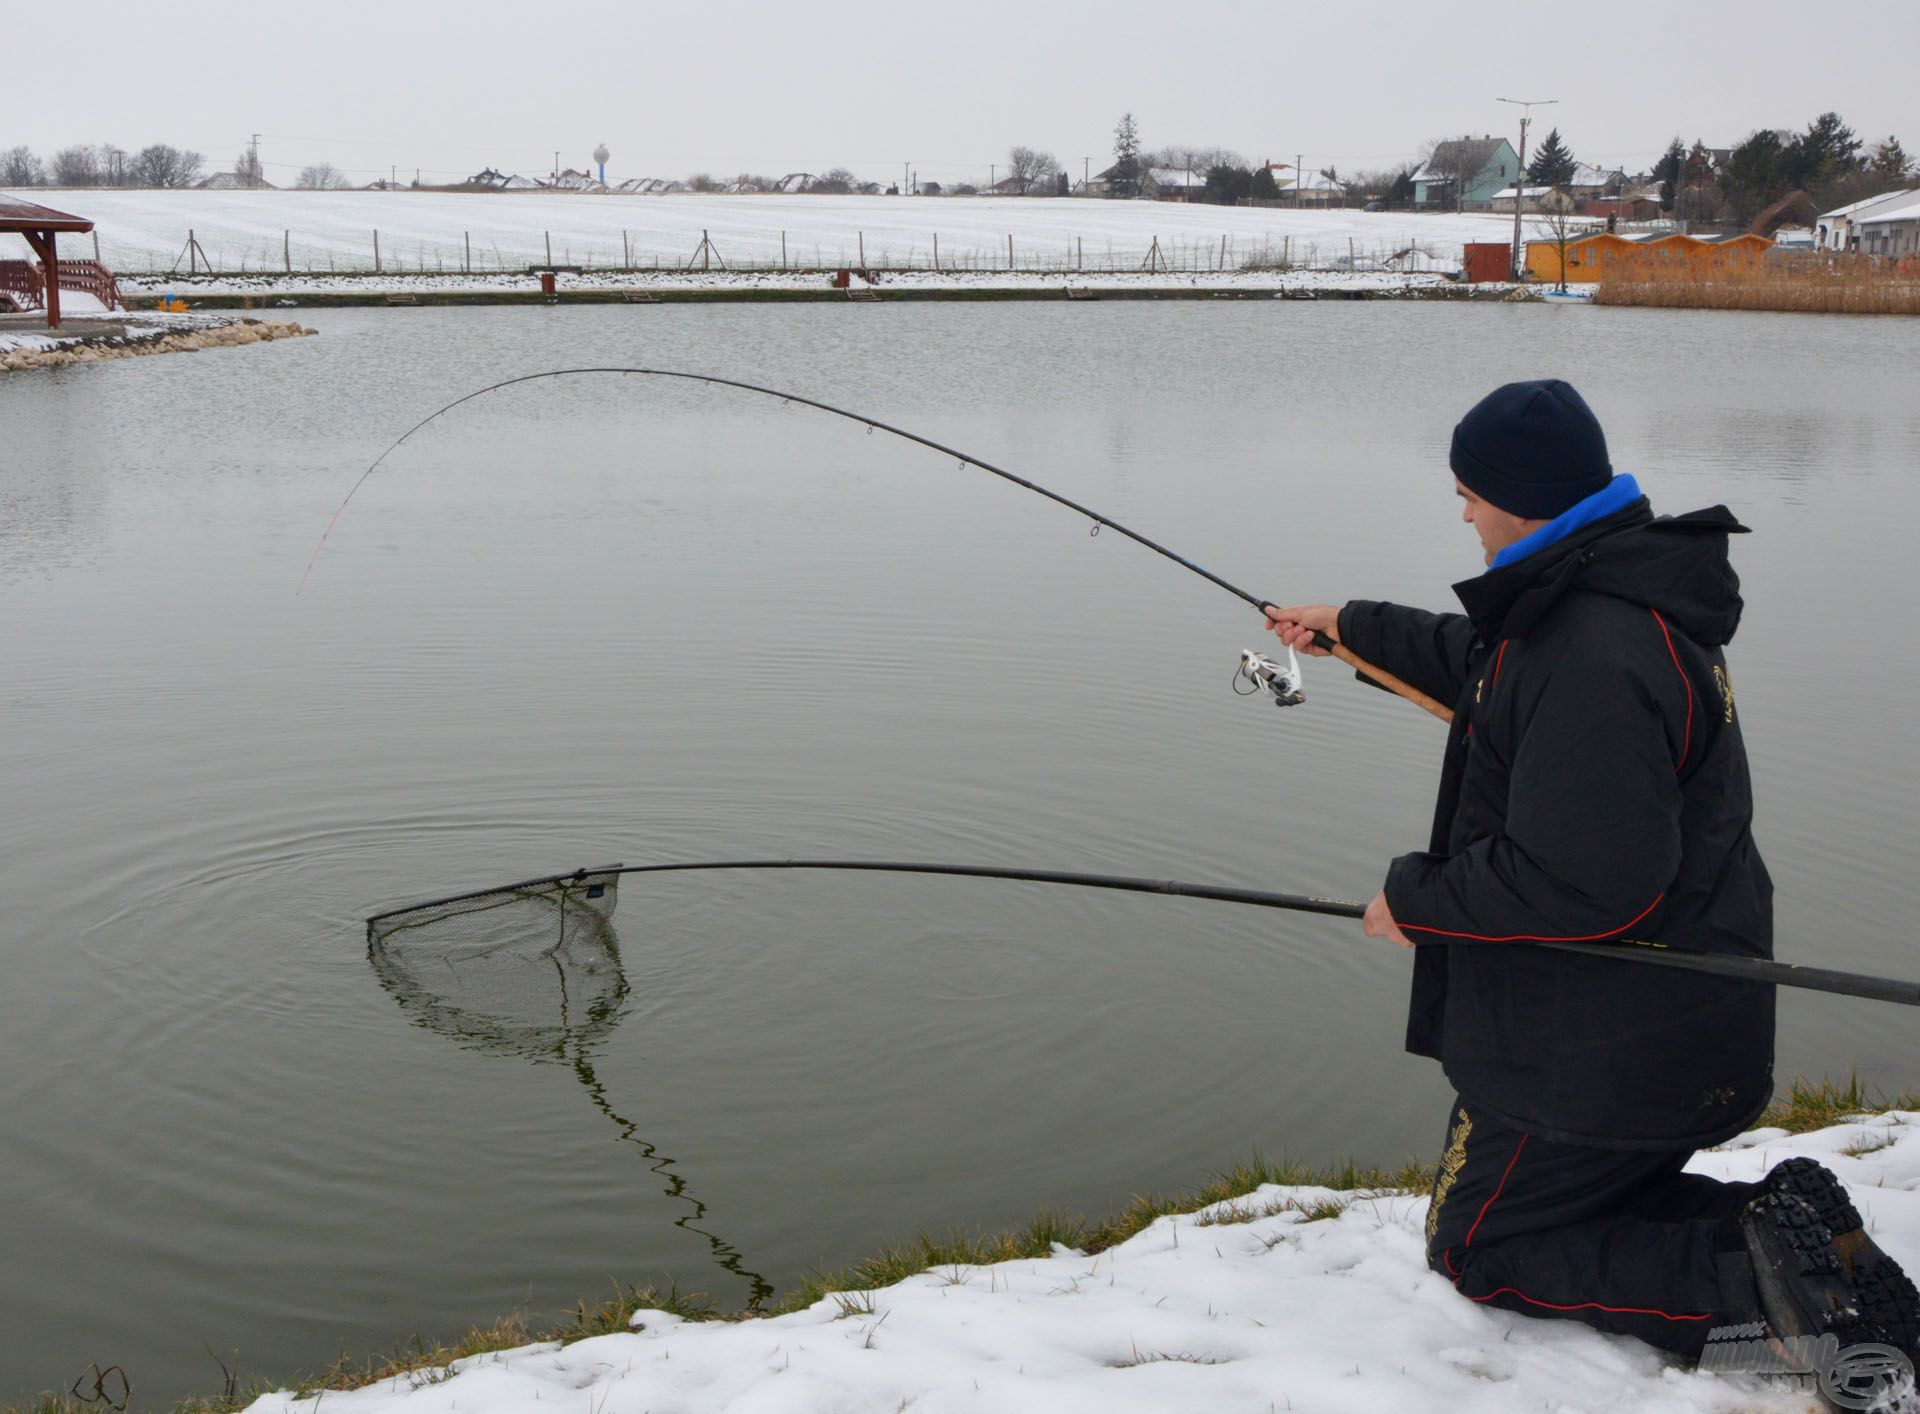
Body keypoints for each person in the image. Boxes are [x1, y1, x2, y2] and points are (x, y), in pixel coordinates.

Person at [1265, 379, 1918, 1387]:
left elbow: (1584, 881)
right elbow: (1489, 671)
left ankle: (1771, 1291)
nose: (1465, 516)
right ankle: (1797, 1236)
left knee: (1477, 1243)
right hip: (1659, 1025)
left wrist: (1417, 897)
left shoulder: (1591, 648)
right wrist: (1349, 625)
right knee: (1562, 1209)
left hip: (1603, 1046)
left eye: (1468, 497)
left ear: (1519, 498)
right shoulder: (1596, 593)